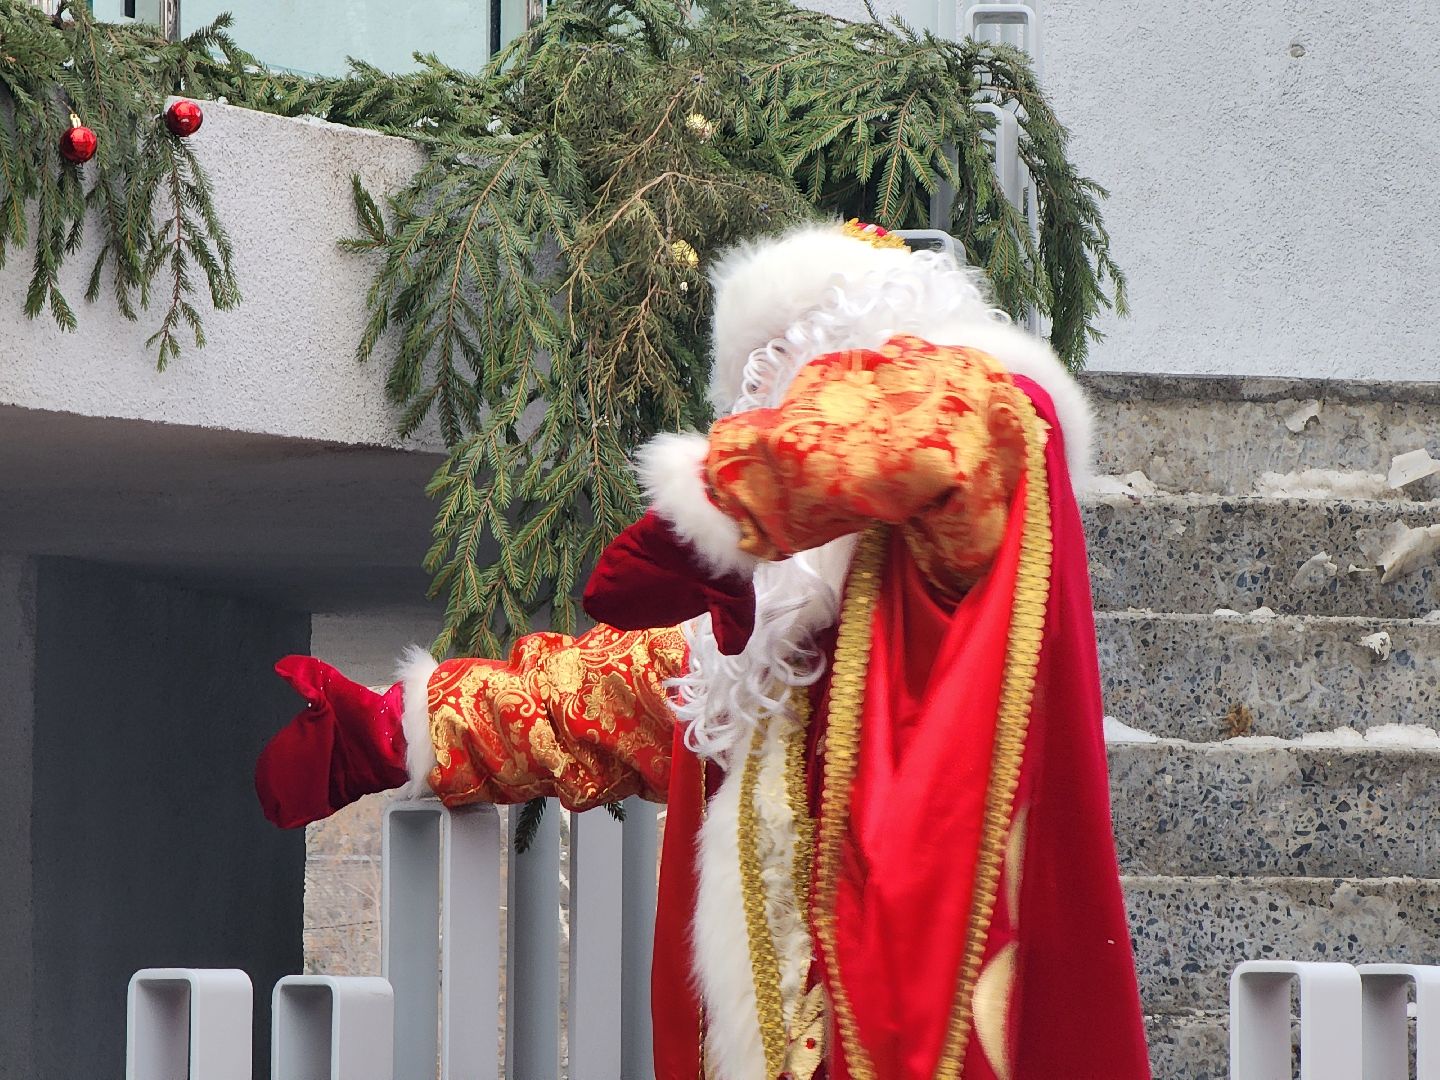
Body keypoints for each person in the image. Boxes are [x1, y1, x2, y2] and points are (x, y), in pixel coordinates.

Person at [255, 220, 1151, 1080]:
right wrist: (386, 728)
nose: (776, 409)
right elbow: (579, 705)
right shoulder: (749, 647)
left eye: (800, 386)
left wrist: (732, 503)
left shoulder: (967, 533)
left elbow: (951, 421)